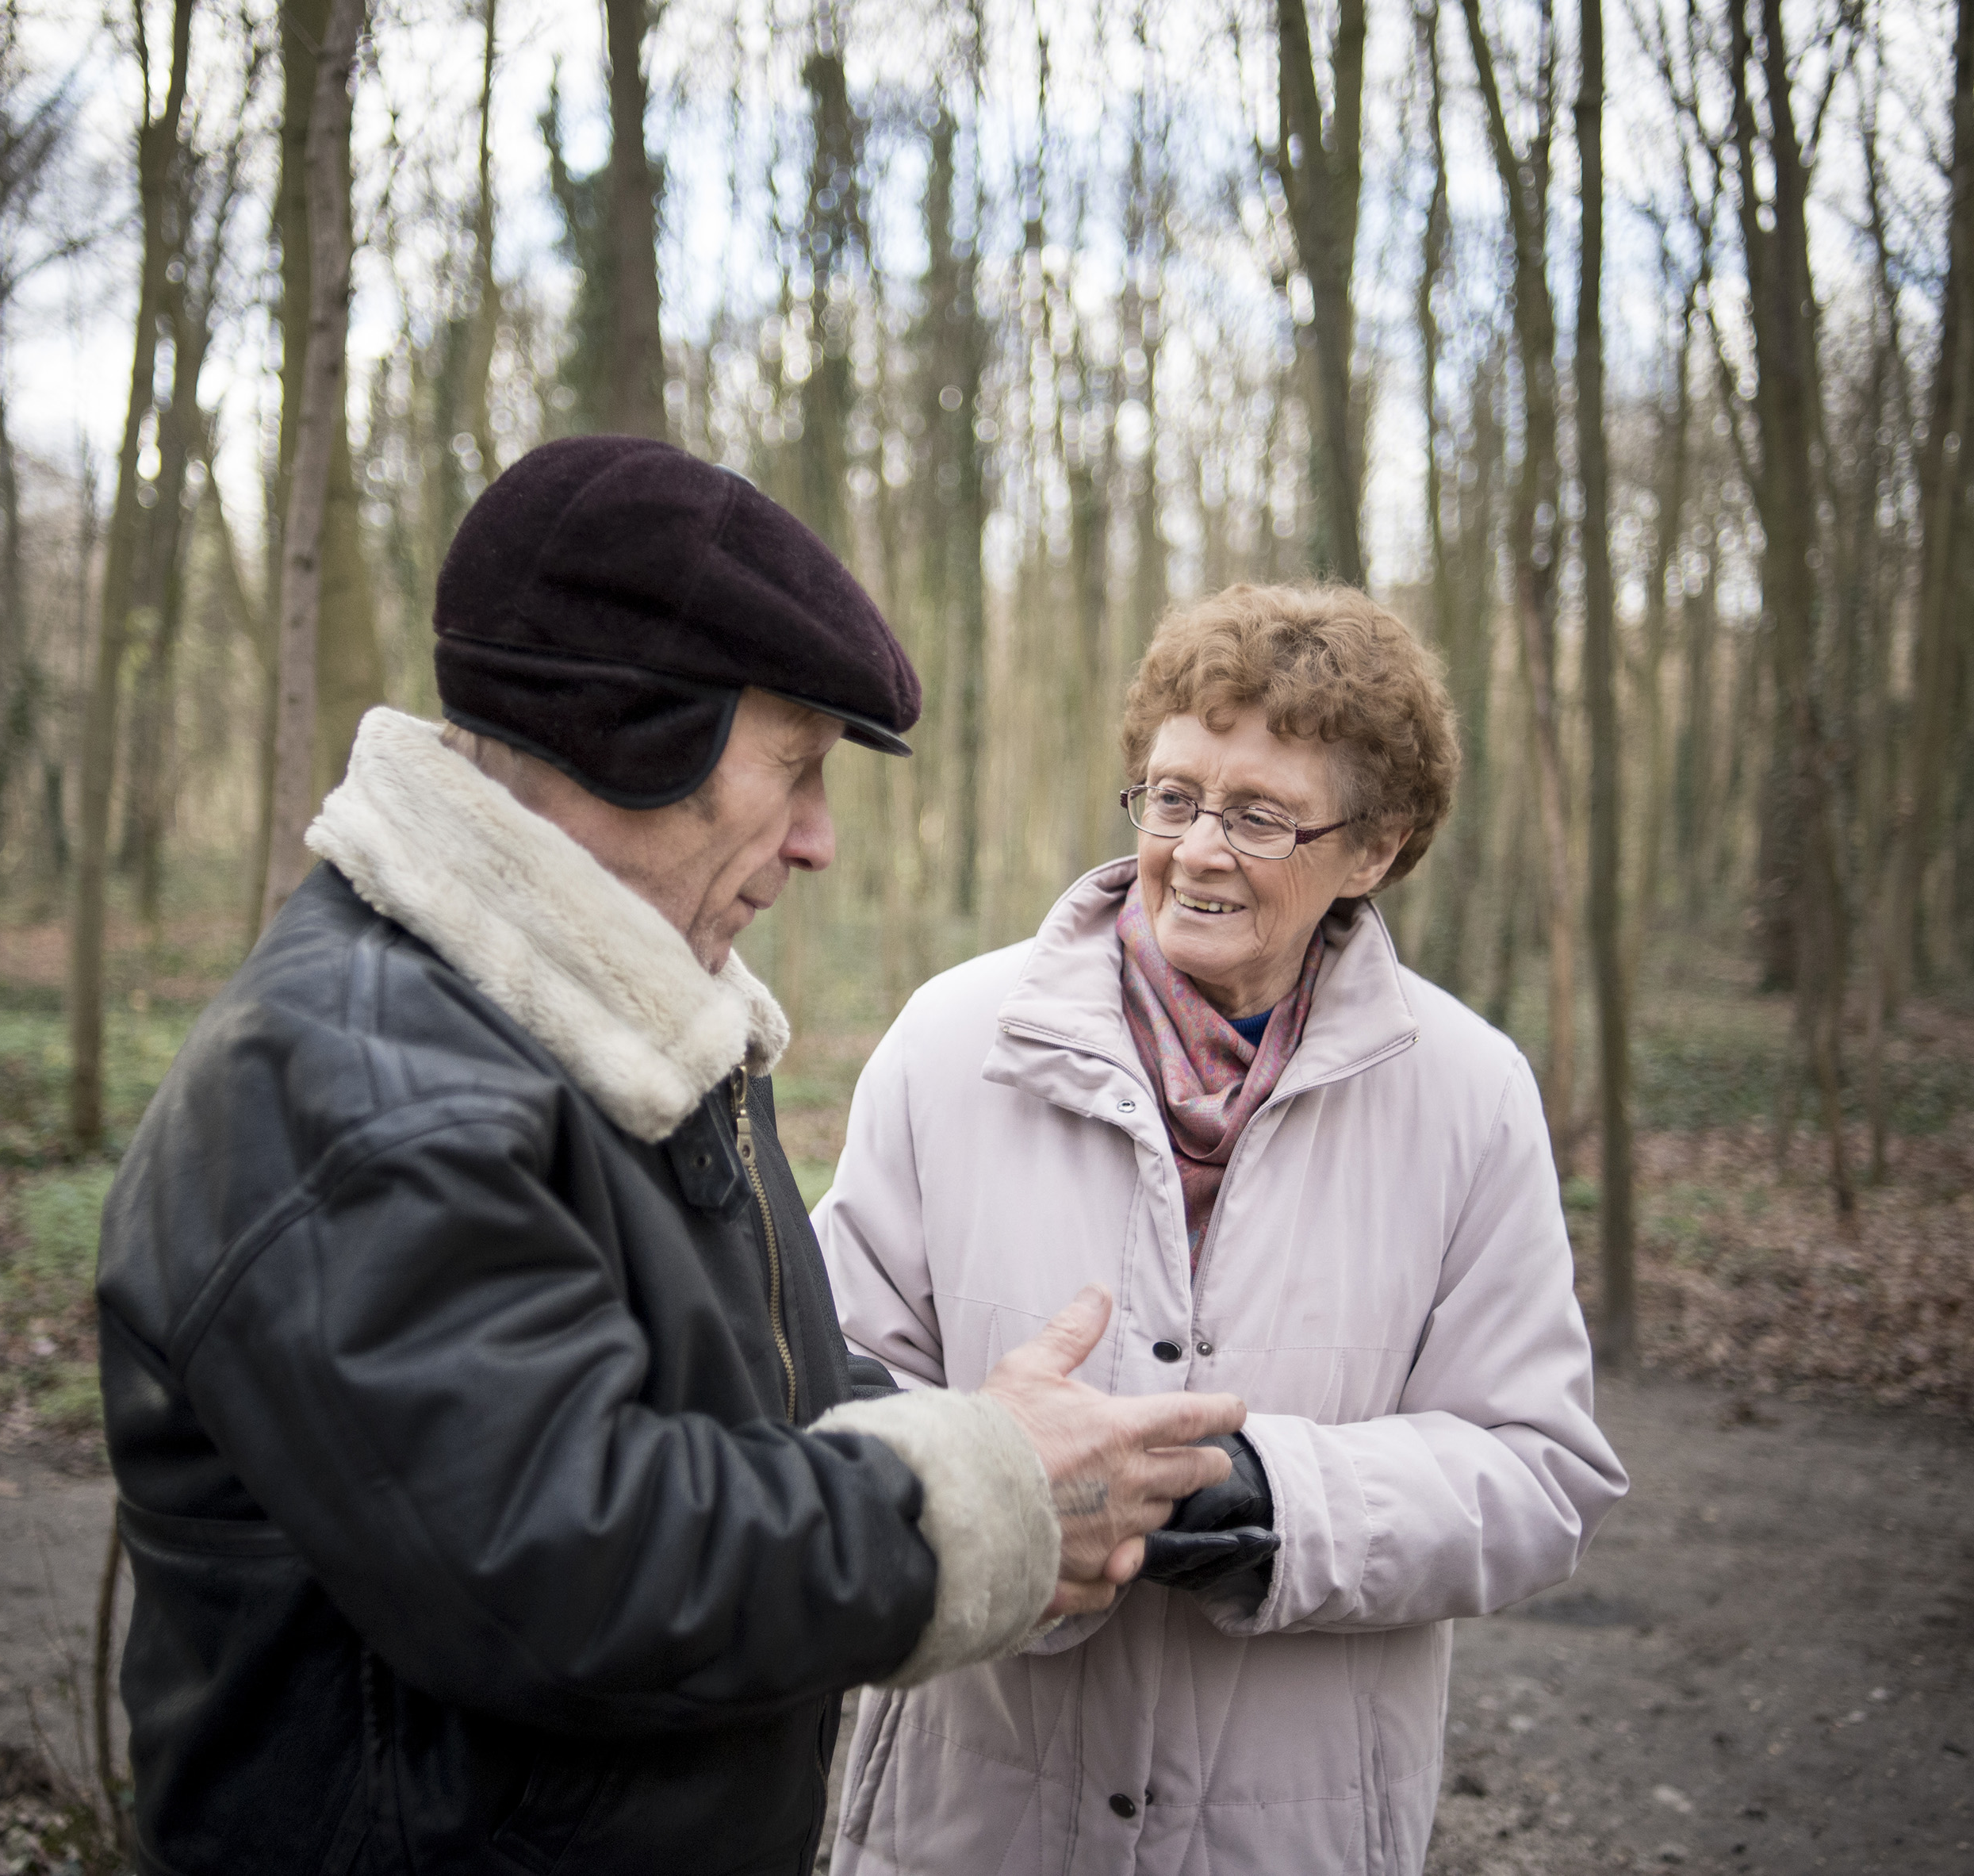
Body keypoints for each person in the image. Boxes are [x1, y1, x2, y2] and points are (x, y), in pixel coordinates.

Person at [94, 435, 1246, 1876]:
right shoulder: (370, 1089)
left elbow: (733, 1394)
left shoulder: (606, 1025)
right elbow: (570, 1563)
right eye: (797, 768)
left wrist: (1007, 1432)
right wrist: (987, 1496)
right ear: (632, 729)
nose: (819, 840)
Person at [815, 582, 1630, 1874]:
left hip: (1292, 1831)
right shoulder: (951, 1043)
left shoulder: (1470, 1096)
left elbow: (1538, 1472)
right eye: (1175, 794)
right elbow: (822, 1382)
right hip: (966, 1822)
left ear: (1376, 846)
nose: (1196, 850)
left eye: (1259, 815)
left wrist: (1271, 1502)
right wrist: (997, 1476)